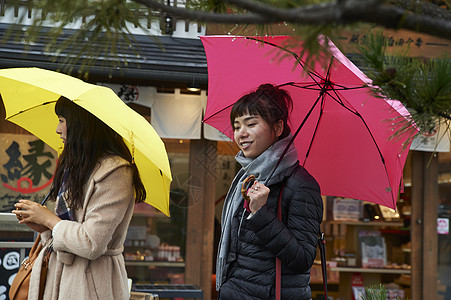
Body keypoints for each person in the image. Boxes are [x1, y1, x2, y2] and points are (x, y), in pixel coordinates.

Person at [12, 96, 146, 300]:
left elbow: (91, 243)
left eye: (62, 120)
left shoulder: (116, 172)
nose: (58, 129)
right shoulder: (75, 166)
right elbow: (66, 229)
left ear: (82, 125)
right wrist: (45, 228)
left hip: (91, 284)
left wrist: (49, 219)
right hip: (59, 277)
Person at [216, 84, 323, 300]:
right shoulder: (246, 179)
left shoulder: (300, 184)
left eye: (251, 124)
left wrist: (261, 214)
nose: (240, 134)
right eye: (236, 126)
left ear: (277, 128)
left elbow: (302, 258)